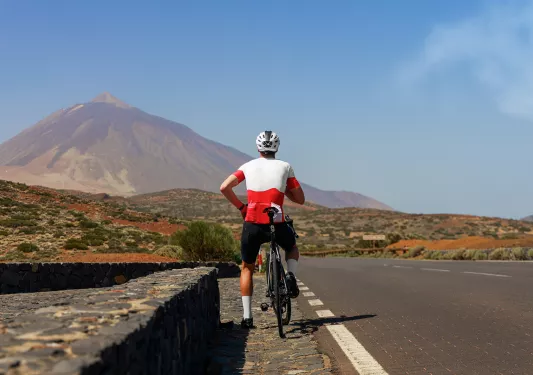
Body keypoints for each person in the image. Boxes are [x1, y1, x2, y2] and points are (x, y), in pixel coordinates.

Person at [219, 130, 305, 329]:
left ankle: (248, 317)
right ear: (277, 147)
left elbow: (224, 187)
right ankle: (290, 275)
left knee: (247, 267)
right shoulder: (285, 166)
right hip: (277, 222)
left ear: (258, 148)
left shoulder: (247, 167)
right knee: (291, 248)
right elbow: (300, 199)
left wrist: (242, 207)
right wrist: (283, 191)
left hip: (253, 223)